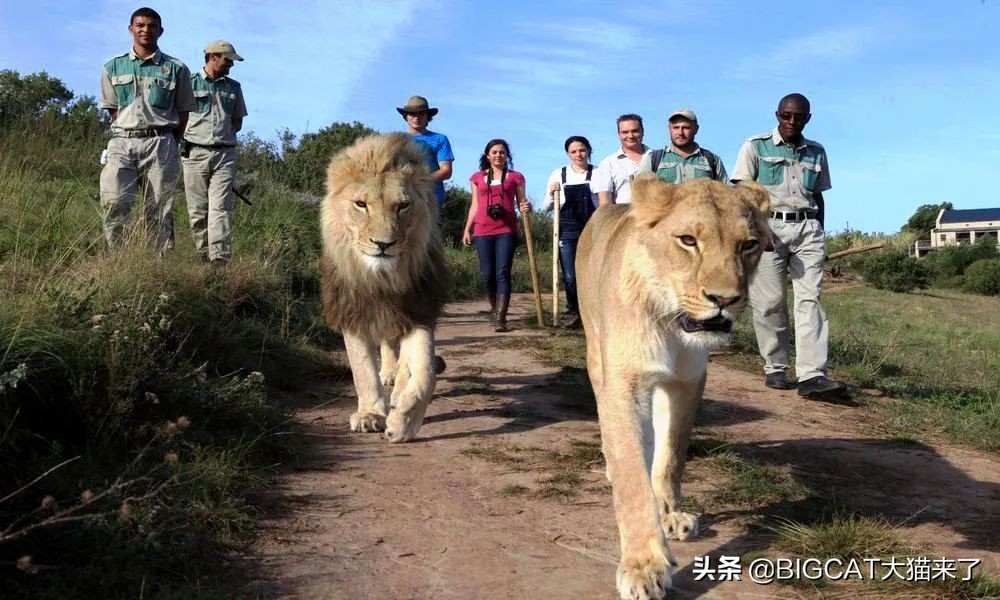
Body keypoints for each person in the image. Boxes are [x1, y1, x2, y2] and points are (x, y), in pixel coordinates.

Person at [731, 93, 848, 401]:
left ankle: (812, 374)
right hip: (769, 227)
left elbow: (818, 195)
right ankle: (775, 367)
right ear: (777, 115)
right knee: (770, 301)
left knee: (811, 301)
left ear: (807, 119)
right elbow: (742, 193)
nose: (791, 121)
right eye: (786, 115)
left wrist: (820, 231)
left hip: (807, 227)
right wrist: (758, 228)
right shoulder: (755, 146)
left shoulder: (816, 151)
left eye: (798, 117)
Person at [99, 7, 196, 254]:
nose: (146, 30)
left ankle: (158, 264)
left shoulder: (177, 69)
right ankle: (117, 260)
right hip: (122, 143)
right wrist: (131, 129)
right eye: (140, 25)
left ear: (160, 31)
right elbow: (113, 109)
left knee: (160, 208)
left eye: (152, 26)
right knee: (114, 202)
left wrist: (170, 141)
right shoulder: (113, 66)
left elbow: (184, 112)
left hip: (161, 144)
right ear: (131, 29)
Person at [181, 40, 248, 268]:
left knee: (221, 207)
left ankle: (219, 259)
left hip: (224, 154)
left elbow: (237, 122)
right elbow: (179, 116)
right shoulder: (189, 83)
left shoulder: (234, 88)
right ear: (212, 57)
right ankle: (203, 255)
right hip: (194, 153)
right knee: (198, 209)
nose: (231, 65)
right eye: (227, 60)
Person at [462, 139, 532, 332]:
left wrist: (526, 207)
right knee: (487, 275)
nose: (498, 155)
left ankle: (501, 317)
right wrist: (467, 229)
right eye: (494, 152)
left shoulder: (516, 177)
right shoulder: (477, 177)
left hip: (506, 230)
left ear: (507, 155)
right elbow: (475, 205)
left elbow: (522, 202)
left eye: (502, 152)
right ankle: (494, 310)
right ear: (488, 155)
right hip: (482, 230)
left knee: (502, 273)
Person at [544, 135, 598, 329]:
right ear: (568, 154)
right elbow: (547, 207)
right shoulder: (559, 174)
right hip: (566, 230)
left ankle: (592, 313)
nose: (578, 154)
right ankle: (574, 311)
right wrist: (552, 194)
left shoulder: (598, 172)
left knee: (592, 273)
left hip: (592, 229)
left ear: (588, 150)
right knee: (570, 275)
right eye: (573, 151)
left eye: (582, 150)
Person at [637, 109, 728, 183]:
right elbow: (640, 193)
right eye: (676, 127)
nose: (680, 133)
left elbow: (726, 194)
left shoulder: (712, 160)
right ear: (669, 129)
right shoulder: (653, 159)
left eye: (686, 128)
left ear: (696, 129)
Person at [397, 95, 454, 212]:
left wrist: (419, 181)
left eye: (421, 113)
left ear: (428, 116)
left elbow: (446, 171)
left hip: (431, 202)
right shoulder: (397, 141)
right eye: (412, 114)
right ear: (406, 116)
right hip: (403, 201)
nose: (416, 117)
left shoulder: (440, 139)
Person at [592, 114, 650, 207]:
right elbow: (605, 205)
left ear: (643, 132)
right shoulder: (608, 163)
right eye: (625, 132)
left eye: (635, 131)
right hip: (624, 215)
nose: (630, 136)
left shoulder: (658, 157)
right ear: (619, 134)